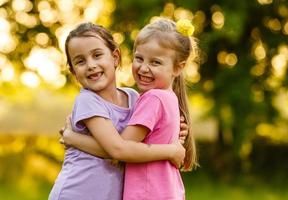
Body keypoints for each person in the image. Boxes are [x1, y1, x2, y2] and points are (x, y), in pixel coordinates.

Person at [61, 18, 198, 200]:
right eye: (139, 58)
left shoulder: (136, 98)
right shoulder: (89, 101)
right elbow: (119, 150)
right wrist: (170, 150)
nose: (91, 65)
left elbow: (120, 149)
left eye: (97, 55)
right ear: (72, 70)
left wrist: (73, 138)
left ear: (115, 57)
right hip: (79, 193)